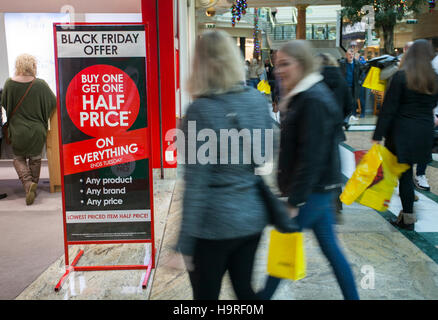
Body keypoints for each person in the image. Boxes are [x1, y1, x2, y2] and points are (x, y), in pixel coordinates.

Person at [173, 30, 273, 300]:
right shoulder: (257, 100)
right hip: (251, 219)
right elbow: (263, 162)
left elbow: (196, 184)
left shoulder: (199, 111)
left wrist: (184, 241)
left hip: (212, 227)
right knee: (244, 291)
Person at [258, 40, 359, 300]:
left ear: (300, 64)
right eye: (277, 63)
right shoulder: (305, 93)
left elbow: (310, 156)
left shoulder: (312, 98)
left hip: (311, 192)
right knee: (331, 250)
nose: (278, 70)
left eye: (284, 64)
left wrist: (295, 200)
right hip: (319, 189)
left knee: (284, 243)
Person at [372, 39, 438, 231]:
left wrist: (378, 134)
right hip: (425, 131)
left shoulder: (401, 77)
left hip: (403, 132)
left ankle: (408, 216)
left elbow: (389, 109)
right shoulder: (434, 79)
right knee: (412, 171)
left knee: (406, 174)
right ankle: (409, 212)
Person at [1, 54, 56, 205]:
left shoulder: (9, 84)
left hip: (17, 130)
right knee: (35, 158)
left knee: (18, 158)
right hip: (37, 130)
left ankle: (27, 184)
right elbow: (53, 103)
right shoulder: (41, 84)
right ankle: (33, 185)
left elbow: (5, 104)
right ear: (33, 66)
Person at [317, 53, 354, 223]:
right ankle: (336, 200)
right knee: (335, 164)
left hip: (318, 128)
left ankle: (319, 200)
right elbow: (350, 106)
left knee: (317, 163)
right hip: (335, 130)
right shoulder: (341, 81)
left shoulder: (316, 80)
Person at [339, 47, 363, 121]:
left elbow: (362, 74)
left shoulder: (357, 63)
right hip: (345, 85)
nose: (351, 56)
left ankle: (353, 115)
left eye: (352, 54)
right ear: (346, 55)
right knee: (345, 101)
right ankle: (345, 116)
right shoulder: (342, 63)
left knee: (354, 101)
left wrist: (359, 82)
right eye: (349, 54)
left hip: (354, 85)